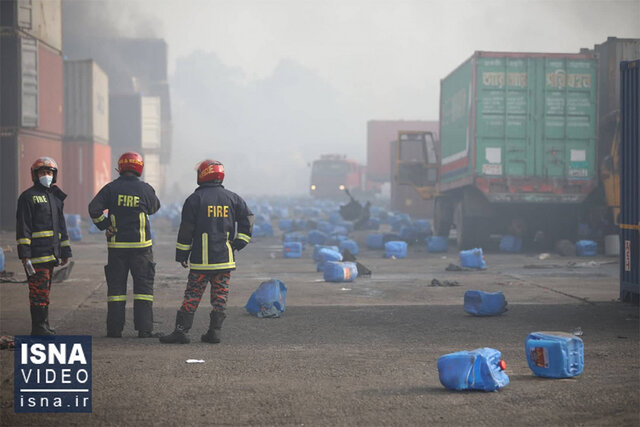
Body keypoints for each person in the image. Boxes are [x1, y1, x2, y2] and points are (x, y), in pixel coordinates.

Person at [160, 160, 253, 344]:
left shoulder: (194, 200)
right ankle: (215, 332)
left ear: (203, 175)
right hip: (225, 260)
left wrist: (182, 255)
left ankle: (181, 331)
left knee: (193, 294)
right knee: (220, 296)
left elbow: (186, 230)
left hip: (201, 261)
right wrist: (239, 243)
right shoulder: (233, 198)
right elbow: (248, 220)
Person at [88, 152, 161, 338]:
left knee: (116, 290)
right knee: (143, 290)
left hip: (117, 249)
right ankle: (144, 330)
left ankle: (114, 330)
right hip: (141, 249)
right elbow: (154, 208)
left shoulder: (111, 188)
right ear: (139, 168)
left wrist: (104, 225)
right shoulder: (145, 189)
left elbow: (93, 208)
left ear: (120, 167)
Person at [16, 157, 72, 335]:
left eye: (49, 173)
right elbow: (23, 227)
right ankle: (38, 328)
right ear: (35, 175)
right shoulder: (28, 197)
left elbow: (61, 227)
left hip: (51, 254)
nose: (46, 175)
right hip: (36, 256)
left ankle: (44, 325)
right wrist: (24, 254)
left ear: (54, 175)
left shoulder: (55, 198)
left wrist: (65, 251)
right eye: (42, 173)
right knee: (38, 292)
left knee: (45, 291)